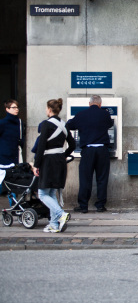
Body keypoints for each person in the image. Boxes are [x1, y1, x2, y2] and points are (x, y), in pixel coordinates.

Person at [33, 98, 76, 233]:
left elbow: (41, 146)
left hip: (48, 160)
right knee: (51, 192)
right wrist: (64, 155)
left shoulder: (46, 124)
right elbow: (73, 144)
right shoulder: (64, 124)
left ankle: (61, 214)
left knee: (42, 193)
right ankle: (53, 224)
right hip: (60, 160)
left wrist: (36, 164)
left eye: (46, 108)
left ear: (49, 109)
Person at [65, 95, 114, 213]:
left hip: (88, 150)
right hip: (102, 150)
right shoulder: (105, 115)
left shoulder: (81, 115)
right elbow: (110, 125)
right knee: (102, 178)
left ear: (89, 103)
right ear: (100, 104)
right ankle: (100, 205)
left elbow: (68, 125)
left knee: (85, 178)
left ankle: (83, 206)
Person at [0, 99, 24, 166]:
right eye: (14, 107)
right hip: (4, 157)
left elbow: (22, 139)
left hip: (16, 155)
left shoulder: (19, 122)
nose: (17, 109)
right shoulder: (2, 123)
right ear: (7, 109)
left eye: (17, 107)